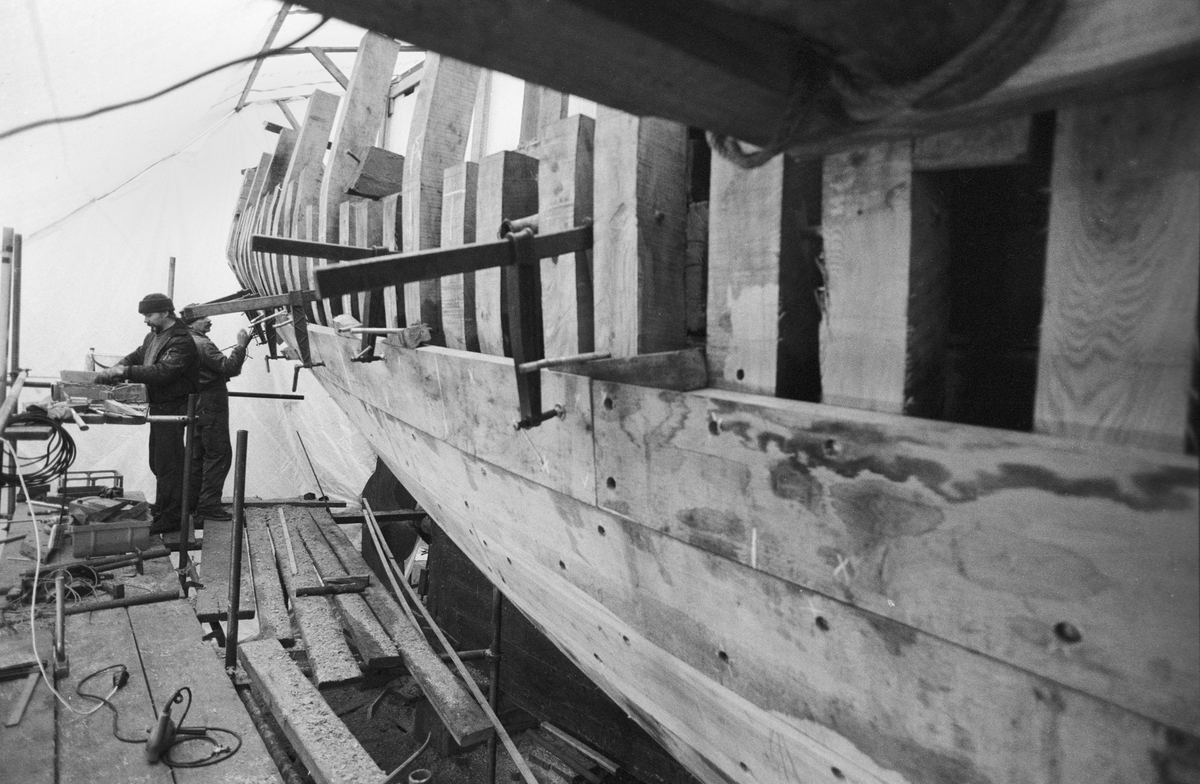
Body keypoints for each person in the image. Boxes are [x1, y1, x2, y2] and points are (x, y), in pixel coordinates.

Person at [94, 293, 199, 534]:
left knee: (170, 464)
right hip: (160, 407)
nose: (145, 320)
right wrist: (118, 367)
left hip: (174, 408)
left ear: (165, 313)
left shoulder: (181, 340)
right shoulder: (154, 335)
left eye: (149, 315)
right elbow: (138, 355)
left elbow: (163, 372)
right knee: (158, 462)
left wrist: (125, 372)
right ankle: (163, 507)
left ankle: (173, 517)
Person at [181, 307, 251, 520]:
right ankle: (208, 506)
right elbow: (229, 368)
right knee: (219, 454)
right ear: (192, 323)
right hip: (211, 404)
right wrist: (241, 346)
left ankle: (191, 504)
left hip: (195, 404)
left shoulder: (186, 341)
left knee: (197, 457)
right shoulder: (202, 344)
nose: (209, 320)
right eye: (204, 317)